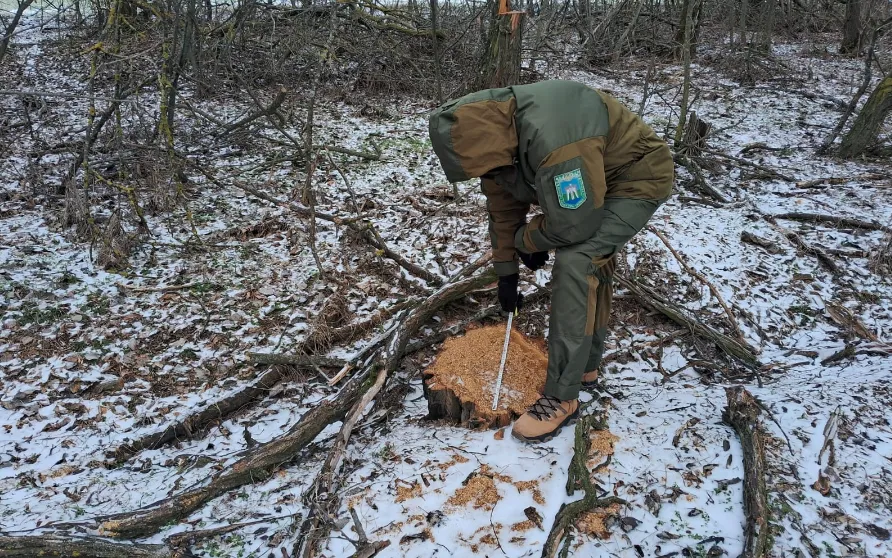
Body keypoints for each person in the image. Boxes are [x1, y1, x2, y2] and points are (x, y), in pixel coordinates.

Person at [428, 80, 674, 443]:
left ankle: (562, 396)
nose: (486, 176)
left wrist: (532, 239)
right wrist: (506, 273)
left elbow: (576, 222)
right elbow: (503, 206)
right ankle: (585, 367)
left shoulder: (554, 140)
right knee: (593, 260)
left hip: (634, 178)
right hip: (595, 181)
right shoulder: (493, 138)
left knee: (579, 259)